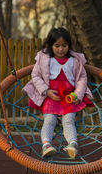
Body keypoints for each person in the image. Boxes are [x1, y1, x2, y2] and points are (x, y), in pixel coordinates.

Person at [23, 27, 94, 159]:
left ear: (69, 45)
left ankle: (73, 144)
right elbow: (35, 75)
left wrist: (77, 95)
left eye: (64, 45)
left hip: (69, 97)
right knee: (49, 120)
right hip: (51, 96)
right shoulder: (44, 58)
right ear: (51, 45)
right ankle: (46, 145)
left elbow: (82, 78)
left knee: (69, 121)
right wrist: (46, 91)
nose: (61, 49)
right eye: (57, 46)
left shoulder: (75, 59)